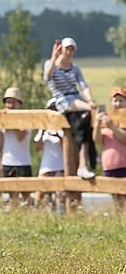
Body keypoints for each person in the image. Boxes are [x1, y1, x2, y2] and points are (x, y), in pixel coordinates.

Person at [44, 37, 99, 180]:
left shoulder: (75, 68)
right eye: (66, 49)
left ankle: (85, 161)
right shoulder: (51, 65)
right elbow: (47, 77)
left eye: (71, 50)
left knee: (86, 121)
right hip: (62, 99)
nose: (69, 53)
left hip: (76, 98)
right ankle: (84, 162)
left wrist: (90, 100)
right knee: (88, 110)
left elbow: (83, 86)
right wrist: (53, 58)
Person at [0, 87, 33, 208]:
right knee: (11, 195)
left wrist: (10, 122)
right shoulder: (3, 120)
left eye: (13, 102)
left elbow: (21, 136)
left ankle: (29, 216)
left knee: (26, 194)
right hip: (7, 161)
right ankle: (14, 216)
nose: (10, 105)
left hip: (22, 162)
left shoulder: (26, 118)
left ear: (19, 104)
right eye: (8, 102)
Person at [99, 88, 126, 210]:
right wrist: (97, 124)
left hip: (124, 164)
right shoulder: (107, 119)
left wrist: (112, 126)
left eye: (121, 101)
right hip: (109, 165)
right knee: (116, 200)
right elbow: (98, 140)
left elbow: (124, 138)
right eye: (115, 101)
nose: (118, 104)